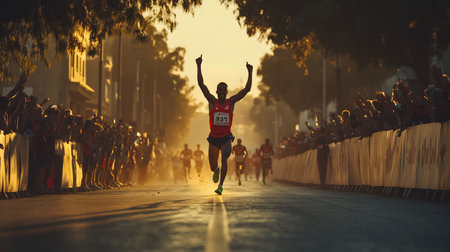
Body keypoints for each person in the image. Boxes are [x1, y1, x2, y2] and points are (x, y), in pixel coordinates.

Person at [196, 55, 253, 195]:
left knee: (225, 159)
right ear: (216, 92)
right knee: (212, 166)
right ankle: (216, 171)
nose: (221, 93)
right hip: (213, 138)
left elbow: (246, 90)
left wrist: (250, 72)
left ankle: (220, 186)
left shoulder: (231, 102)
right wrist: (198, 66)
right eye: (219, 91)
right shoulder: (212, 101)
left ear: (227, 92)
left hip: (227, 137)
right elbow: (201, 85)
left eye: (224, 91)